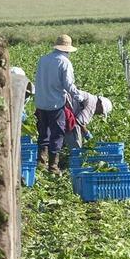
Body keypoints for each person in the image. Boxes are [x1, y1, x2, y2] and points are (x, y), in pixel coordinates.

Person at [34, 34, 83, 173]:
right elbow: (68, 85)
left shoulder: (43, 59)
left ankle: (41, 164)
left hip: (40, 103)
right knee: (57, 134)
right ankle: (53, 167)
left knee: (43, 134)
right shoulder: (64, 62)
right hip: (55, 104)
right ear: (67, 49)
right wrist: (78, 96)